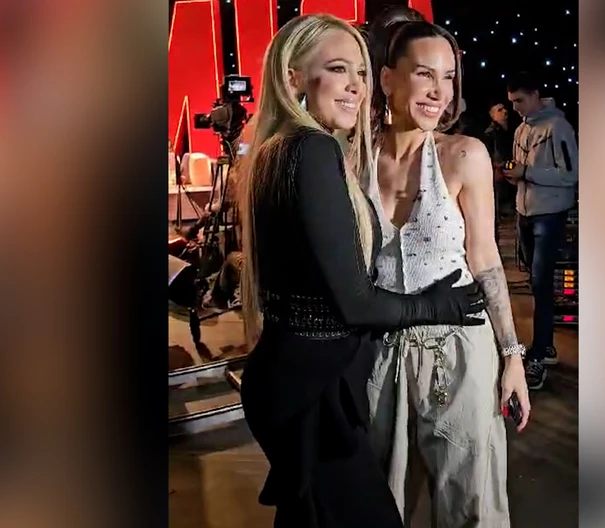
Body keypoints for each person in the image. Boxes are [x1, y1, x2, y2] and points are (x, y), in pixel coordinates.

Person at [236, 14, 486, 528]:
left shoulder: (280, 149)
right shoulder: (312, 150)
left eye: (361, 71)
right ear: (293, 78)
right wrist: (437, 304)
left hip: (301, 381)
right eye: (337, 69)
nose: (356, 85)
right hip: (307, 391)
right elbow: (354, 303)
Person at [365, 9, 530, 526]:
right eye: (424, 74)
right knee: (380, 500)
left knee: (469, 502)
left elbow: (485, 257)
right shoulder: (353, 159)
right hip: (380, 353)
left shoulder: (464, 155)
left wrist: (512, 356)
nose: (439, 91)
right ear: (387, 79)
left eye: (449, 77)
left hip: (459, 349)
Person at [503, 72, 579, 390]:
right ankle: (543, 347)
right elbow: (522, 169)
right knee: (536, 283)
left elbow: (571, 173)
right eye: (512, 102)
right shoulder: (522, 129)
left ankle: (539, 352)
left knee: (542, 283)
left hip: (549, 214)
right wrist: (514, 174)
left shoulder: (557, 127)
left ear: (535, 95)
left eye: (520, 100)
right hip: (526, 212)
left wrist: (528, 172)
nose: (516, 107)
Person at [483, 100, 514, 243]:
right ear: (492, 115)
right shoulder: (491, 134)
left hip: (509, 175)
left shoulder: (509, 131)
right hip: (499, 176)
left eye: (504, 109)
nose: (504, 112)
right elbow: (490, 156)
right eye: (499, 110)